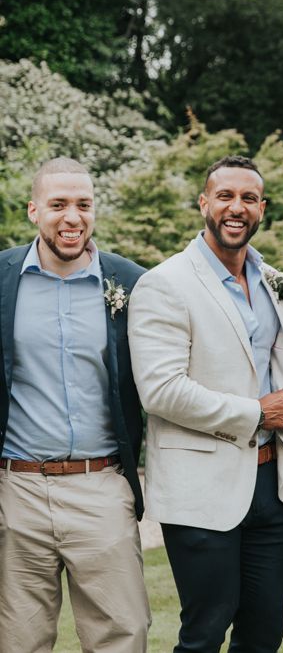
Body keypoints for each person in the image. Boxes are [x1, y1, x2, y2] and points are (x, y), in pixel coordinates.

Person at [128, 155, 283, 653]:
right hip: (201, 489)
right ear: (204, 203)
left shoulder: (274, 280)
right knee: (204, 631)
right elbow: (160, 389)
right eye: (225, 196)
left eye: (248, 198)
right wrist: (253, 414)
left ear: (262, 208)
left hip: (273, 483)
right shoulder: (164, 283)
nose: (236, 207)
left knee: (266, 631)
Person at [0, 157, 150, 652]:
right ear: (33, 211)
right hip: (15, 490)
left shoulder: (132, 284)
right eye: (58, 205)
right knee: (17, 639)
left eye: (83, 205)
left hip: (102, 487)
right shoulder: (1, 279)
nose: (72, 218)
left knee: (121, 636)